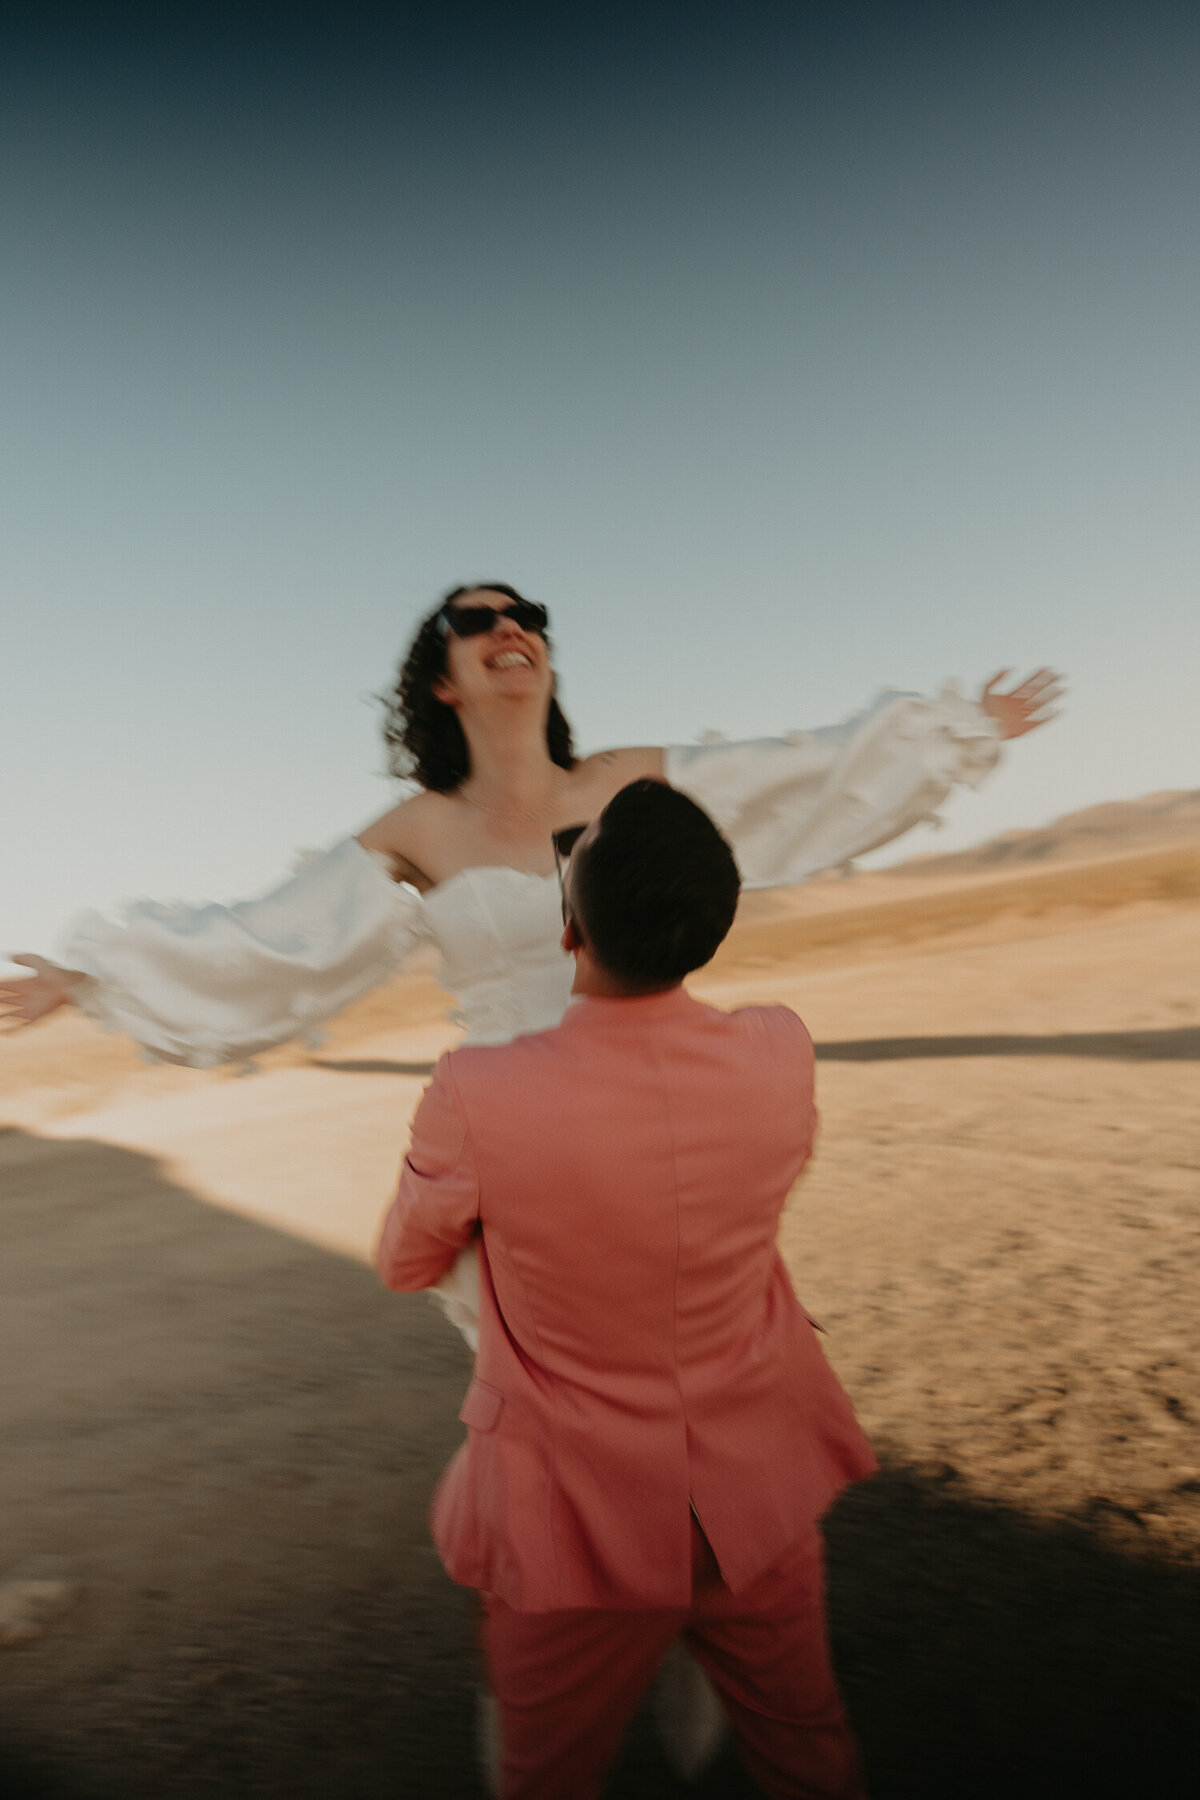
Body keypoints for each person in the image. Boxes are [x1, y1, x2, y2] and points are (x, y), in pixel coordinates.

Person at [0, 583, 1059, 1774]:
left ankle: (680, 1619)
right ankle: (580, 1650)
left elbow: (796, 775)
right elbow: (270, 940)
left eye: (528, 614)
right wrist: (88, 978)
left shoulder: (624, 777)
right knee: (551, 1428)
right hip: (508, 1151)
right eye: (477, 618)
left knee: (697, 1358)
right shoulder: (417, 830)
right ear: (443, 679)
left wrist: (953, 734)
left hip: (665, 1109)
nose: (513, 627)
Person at [376, 778, 877, 1799]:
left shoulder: (479, 1093)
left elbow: (404, 1261)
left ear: (568, 931)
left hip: (572, 1525)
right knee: (808, 1750)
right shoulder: (780, 1050)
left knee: (547, 1776)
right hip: (760, 1497)